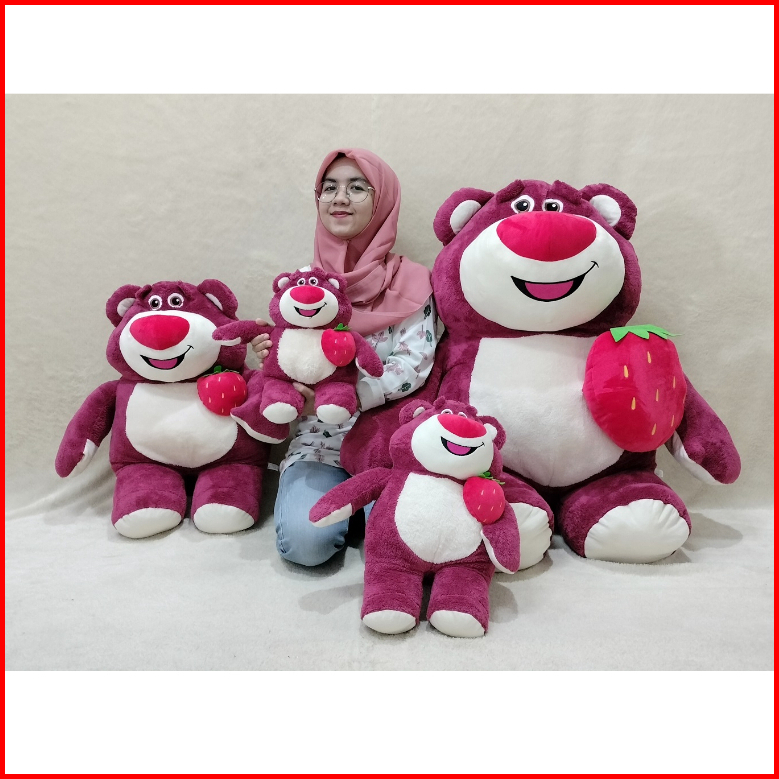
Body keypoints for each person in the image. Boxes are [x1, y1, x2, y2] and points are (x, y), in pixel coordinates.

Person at [251, 148, 437, 566]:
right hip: (321, 441)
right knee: (305, 545)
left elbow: (412, 366)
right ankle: (344, 513)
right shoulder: (303, 287)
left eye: (357, 188)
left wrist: (346, 397)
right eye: (329, 187)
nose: (339, 198)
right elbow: (293, 364)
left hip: (386, 444)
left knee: (405, 548)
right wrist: (271, 358)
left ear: (382, 201)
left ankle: (367, 512)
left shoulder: (412, 281)